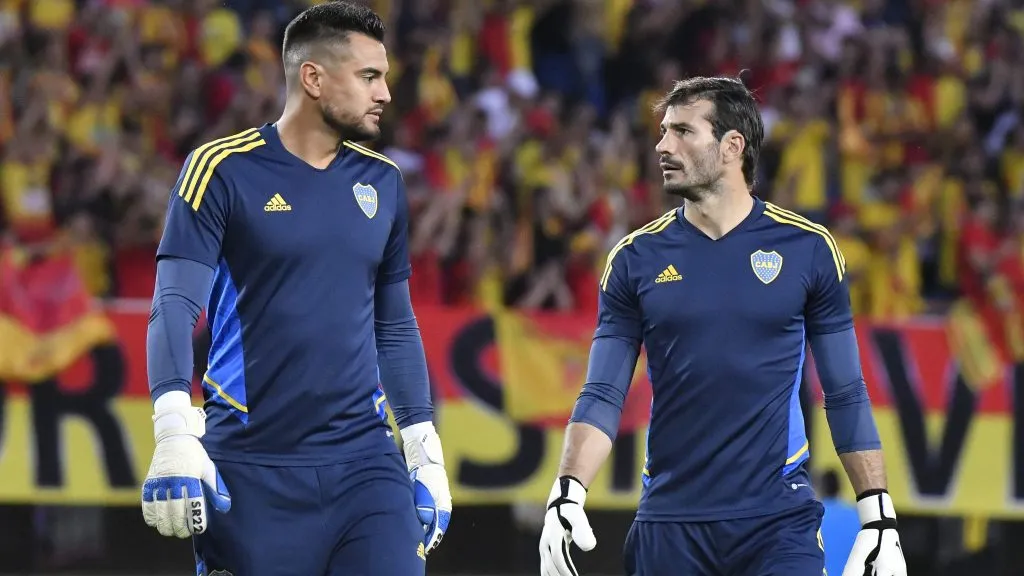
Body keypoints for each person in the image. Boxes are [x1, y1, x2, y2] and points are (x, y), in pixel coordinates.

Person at [538, 76, 906, 576]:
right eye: (663, 131)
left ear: (732, 146)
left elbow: (845, 392)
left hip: (779, 523)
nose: (662, 145)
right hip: (670, 523)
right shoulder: (634, 260)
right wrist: (566, 492)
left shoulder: (809, 249)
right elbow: (603, 391)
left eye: (683, 132)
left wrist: (878, 516)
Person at [140, 2, 451, 575]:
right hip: (251, 470)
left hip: (365, 468)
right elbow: (174, 304)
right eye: (369, 77)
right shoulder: (219, 168)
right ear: (312, 77)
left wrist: (422, 447)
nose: (385, 93)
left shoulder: (383, 182)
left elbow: (395, 325)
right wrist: (172, 429)